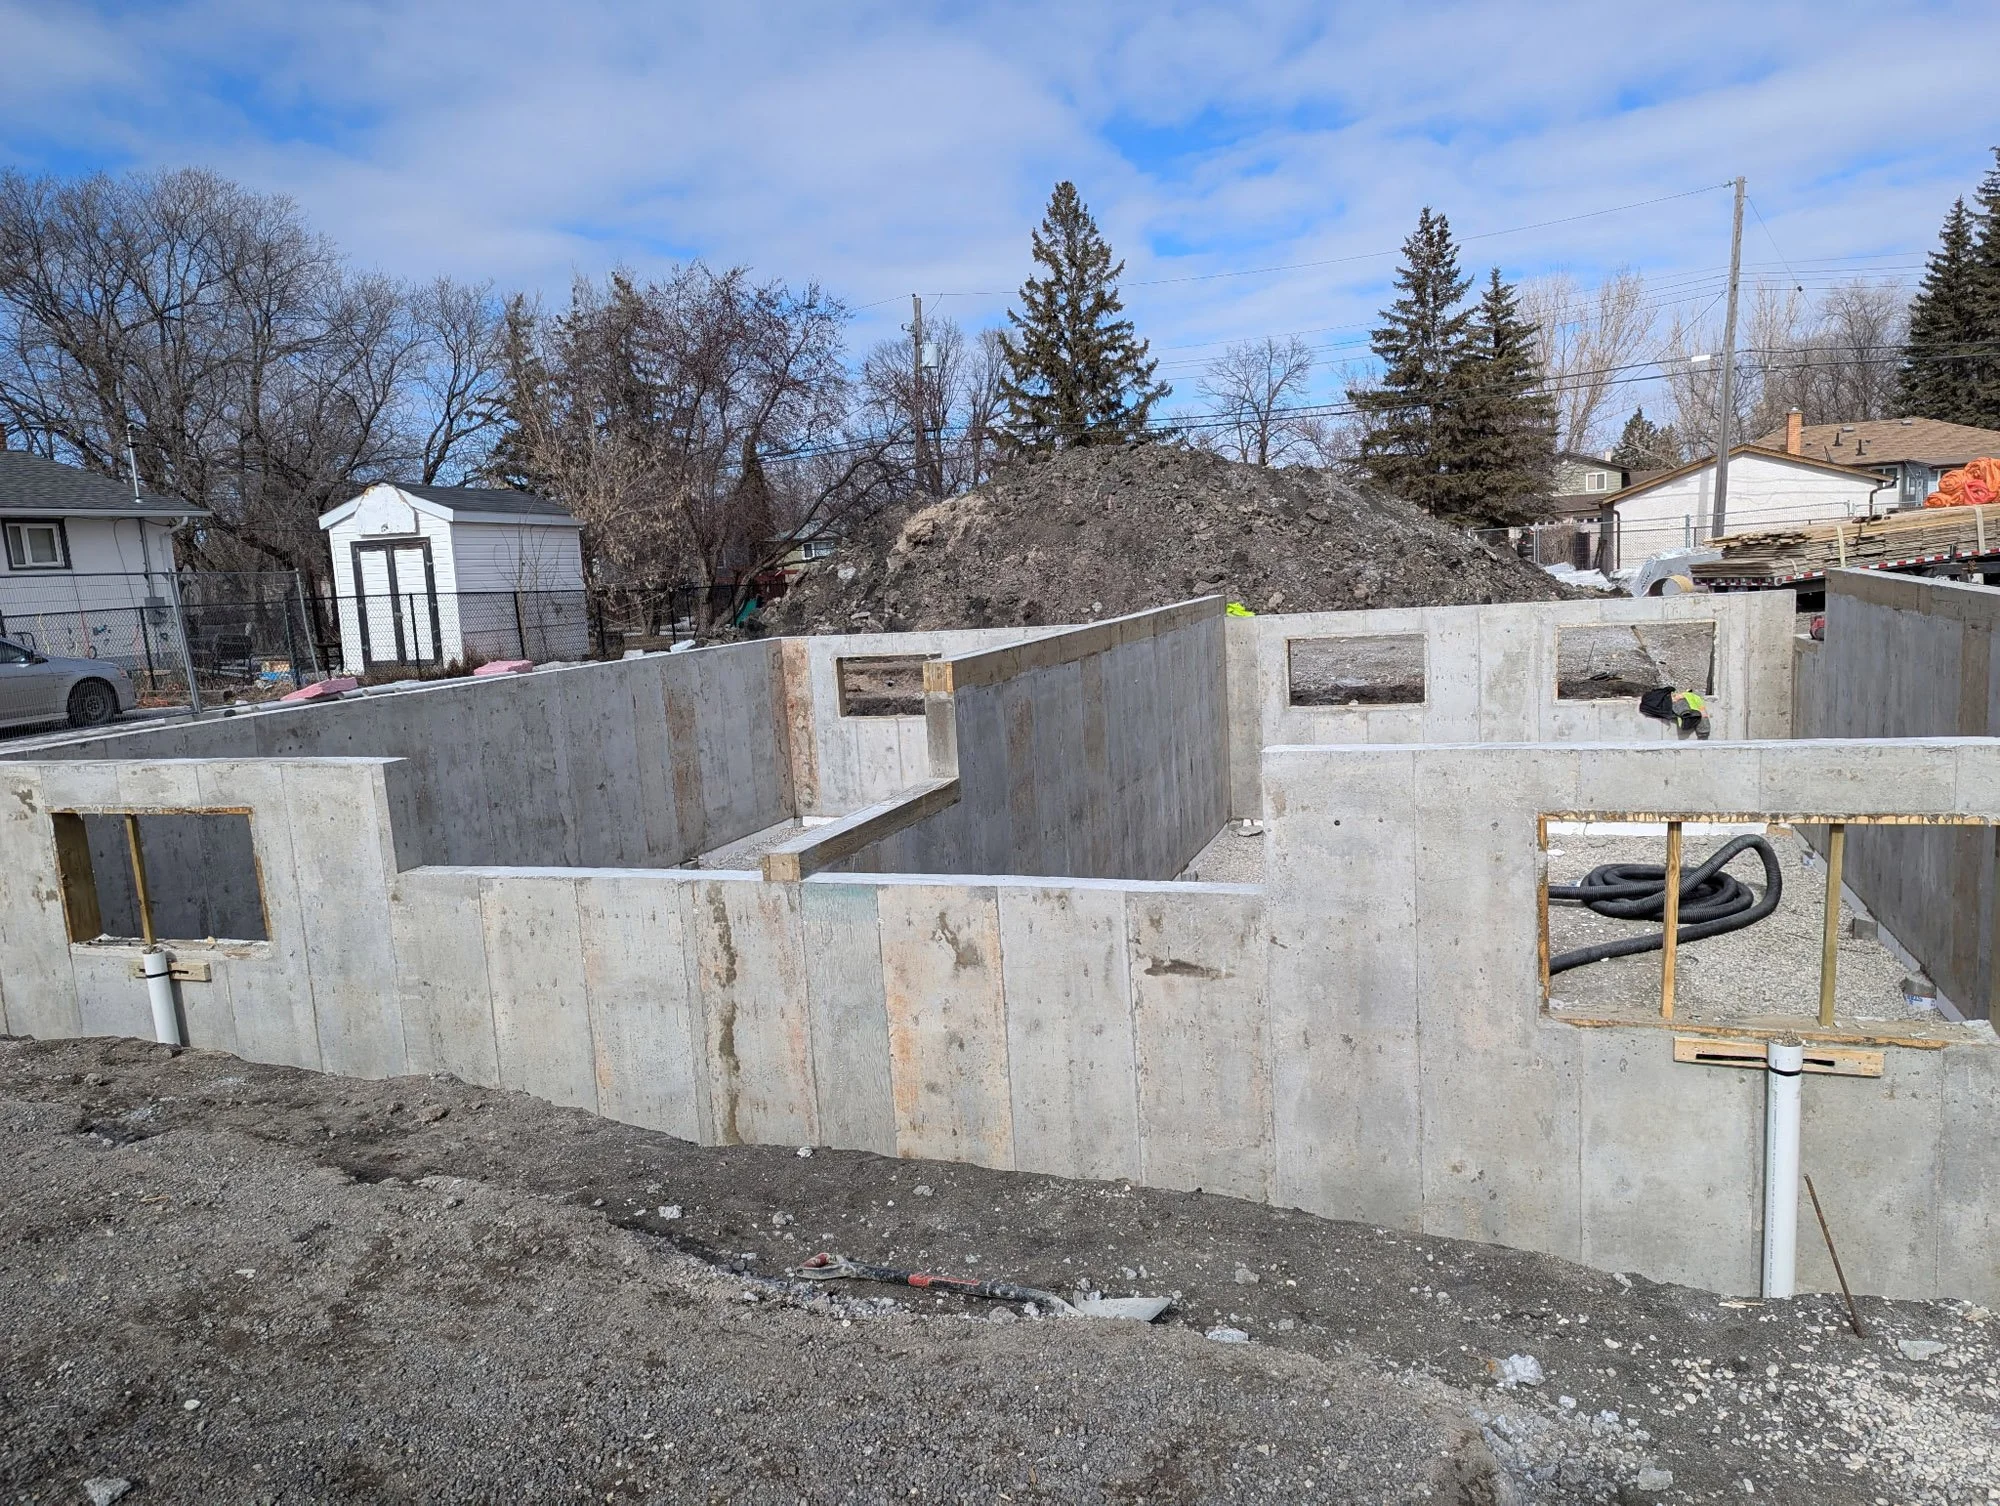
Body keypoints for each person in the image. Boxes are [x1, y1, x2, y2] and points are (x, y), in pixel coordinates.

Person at [1638, 685, 1711, 739]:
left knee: (1683, 706)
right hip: (1691, 715)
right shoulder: (1690, 698)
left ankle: (1688, 715)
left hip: (1691, 714)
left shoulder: (1689, 699)